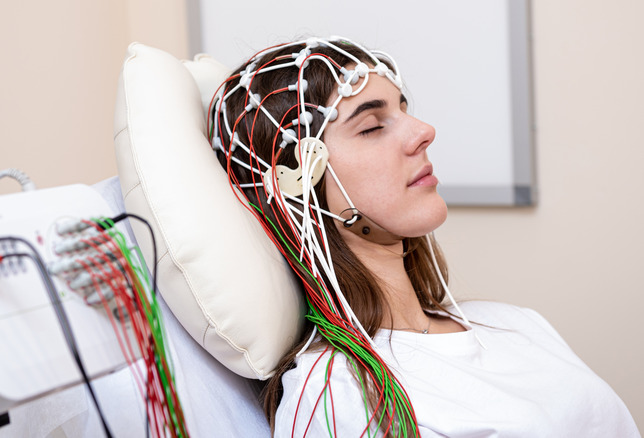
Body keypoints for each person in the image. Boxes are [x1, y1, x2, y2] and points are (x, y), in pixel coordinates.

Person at [208, 37, 639, 437]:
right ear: (296, 181)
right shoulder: (338, 395)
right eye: (372, 126)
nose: (423, 131)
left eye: (404, 109)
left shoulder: (515, 324)